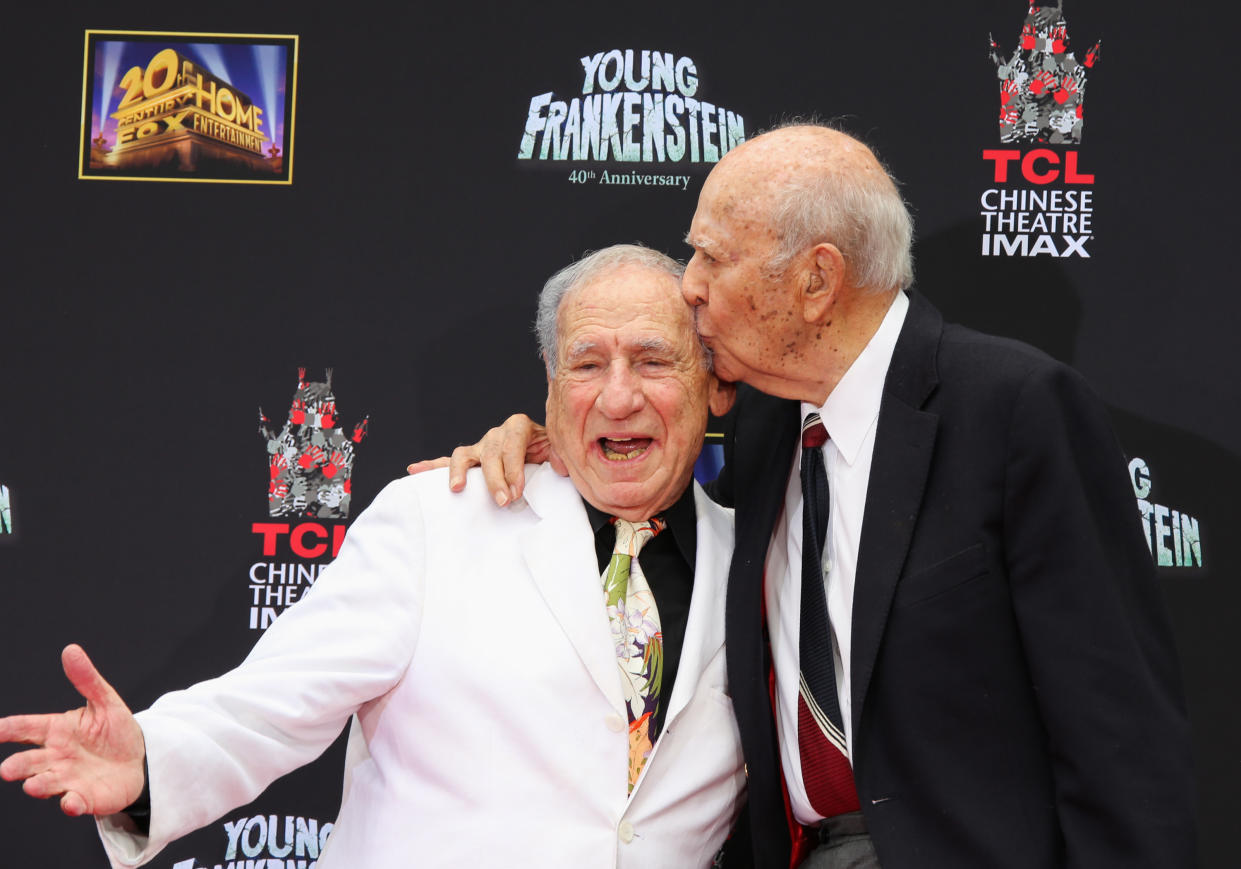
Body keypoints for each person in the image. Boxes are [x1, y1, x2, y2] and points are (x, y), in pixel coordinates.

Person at [415, 124, 1196, 868]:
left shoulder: (1012, 408)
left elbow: (1119, 736)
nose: (688, 286)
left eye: (709, 258)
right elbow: (629, 449)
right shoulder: (764, 421)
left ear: (815, 280)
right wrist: (535, 444)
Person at [0, 244, 745, 868]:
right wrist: (145, 765)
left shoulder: (763, 558)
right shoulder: (437, 520)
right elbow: (271, 704)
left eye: (652, 360)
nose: (617, 398)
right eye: (586, 366)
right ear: (550, 392)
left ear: (713, 384)